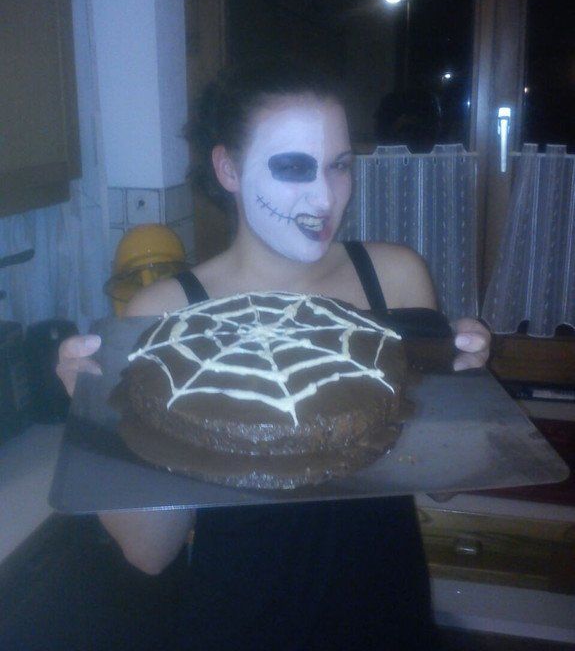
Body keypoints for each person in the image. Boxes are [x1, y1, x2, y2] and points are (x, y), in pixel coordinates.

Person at [58, 60, 490, 650]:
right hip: (243, 622)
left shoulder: (395, 279)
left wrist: (466, 391)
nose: (325, 196)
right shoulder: (165, 314)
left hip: (386, 614)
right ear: (228, 169)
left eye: (340, 165)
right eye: (293, 167)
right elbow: (151, 552)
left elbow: (442, 485)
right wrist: (93, 415)